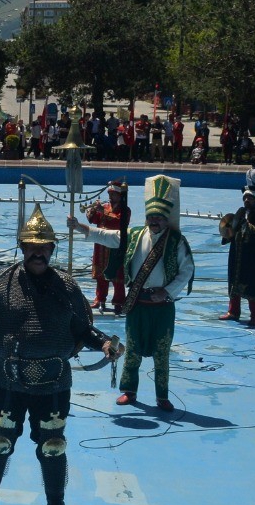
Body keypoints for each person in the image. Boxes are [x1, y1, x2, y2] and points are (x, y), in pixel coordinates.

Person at [0, 204, 118, 505]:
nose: (37, 253)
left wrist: (103, 342)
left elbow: (81, 329)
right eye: (32, 247)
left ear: (51, 249)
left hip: (53, 382)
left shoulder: (66, 286)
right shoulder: (0, 283)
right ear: (23, 249)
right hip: (6, 380)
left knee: (52, 446)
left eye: (43, 248)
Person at [67, 174, 194, 411]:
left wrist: (167, 292)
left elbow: (187, 271)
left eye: (158, 217)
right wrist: (81, 227)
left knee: (162, 352)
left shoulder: (176, 241)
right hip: (137, 302)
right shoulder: (134, 235)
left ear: (166, 218)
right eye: (151, 216)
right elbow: (108, 236)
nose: (154, 220)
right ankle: (129, 391)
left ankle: (162, 396)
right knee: (133, 349)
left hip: (163, 306)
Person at [222, 169, 255, 327]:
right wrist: (228, 232)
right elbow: (233, 228)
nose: (246, 201)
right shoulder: (242, 212)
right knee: (234, 283)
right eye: (245, 198)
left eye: (249, 199)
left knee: (253, 287)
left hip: (253, 258)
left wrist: (246, 225)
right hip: (238, 255)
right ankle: (233, 311)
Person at [85, 179, 130, 312]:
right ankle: (100, 299)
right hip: (100, 246)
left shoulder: (126, 210)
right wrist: (91, 212)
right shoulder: (105, 207)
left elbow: (120, 222)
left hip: (115, 245)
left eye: (113, 194)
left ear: (119, 195)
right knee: (100, 275)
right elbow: (94, 220)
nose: (110, 197)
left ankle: (119, 302)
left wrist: (103, 212)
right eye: (109, 194)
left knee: (117, 276)